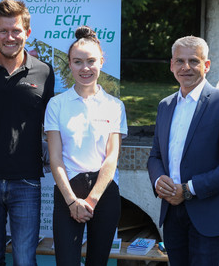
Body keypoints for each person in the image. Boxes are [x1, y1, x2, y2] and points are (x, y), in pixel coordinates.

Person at [0, 0, 55, 266]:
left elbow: (52, 125)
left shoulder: (44, 72)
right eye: (3, 31)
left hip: (26, 180)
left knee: (25, 260)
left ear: (27, 33)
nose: (10, 37)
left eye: (16, 30)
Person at [147, 35, 219, 266]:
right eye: (180, 61)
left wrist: (188, 189)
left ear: (207, 65)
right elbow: (155, 155)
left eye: (193, 61)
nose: (186, 67)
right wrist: (158, 181)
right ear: (172, 65)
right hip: (172, 215)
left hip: (209, 216)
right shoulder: (165, 105)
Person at [44, 26, 127, 266]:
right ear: (69, 64)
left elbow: (112, 157)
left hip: (104, 192)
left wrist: (91, 200)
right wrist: (71, 201)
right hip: (68, 191)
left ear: (102, 62)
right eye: (78, 62)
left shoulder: (115, 105)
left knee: (98, 262)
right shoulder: (57, 105)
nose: (85, 68)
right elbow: (56, 158)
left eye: (91, 61)